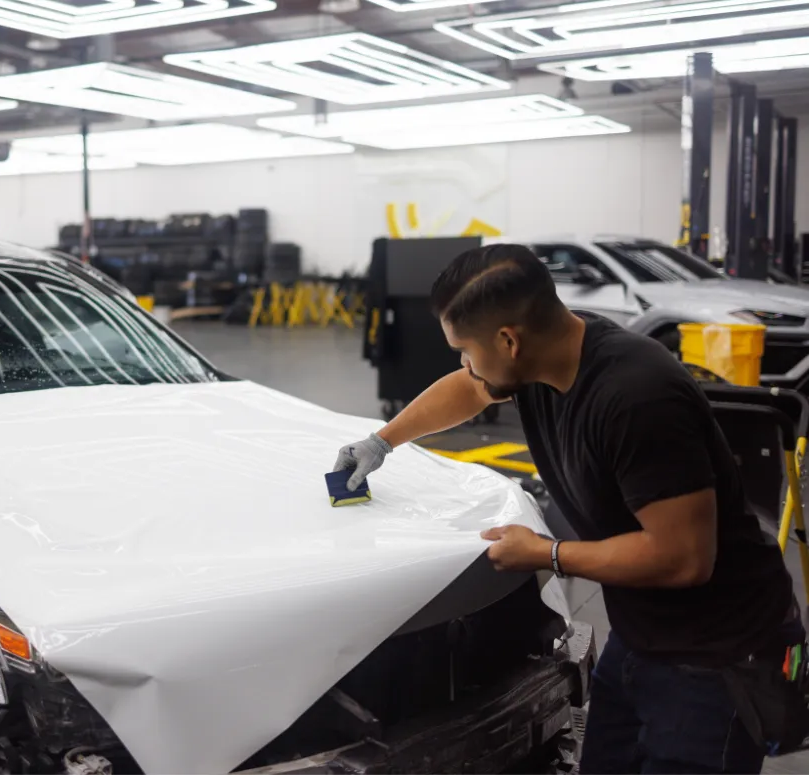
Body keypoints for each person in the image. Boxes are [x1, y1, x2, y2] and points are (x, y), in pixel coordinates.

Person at [334, 243, 800, 774]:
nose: (463, 363)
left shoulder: (636, 398)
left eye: (465, 349)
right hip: (641, 632)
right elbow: (470, 388)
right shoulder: (548, 354)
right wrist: (383, 442)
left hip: (716, 653)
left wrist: (547, 553)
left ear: (509, 340)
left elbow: (683, 558)